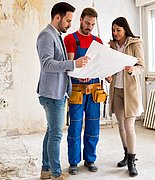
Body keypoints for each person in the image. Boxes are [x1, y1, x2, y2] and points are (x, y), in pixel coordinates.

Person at [36, 2, 89, 180]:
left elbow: (60, 65)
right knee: (56, 134)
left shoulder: (56, 34)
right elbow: (47, 64)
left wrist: (77, 71)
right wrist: (74, 63)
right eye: (68, 20)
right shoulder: (46, 36)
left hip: (57, 92)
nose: (69, 24)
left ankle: (46, 170)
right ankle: (56, 174)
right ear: (57, 17)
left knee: (51, 132)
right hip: (51, 94)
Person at [63, 7, 104, 175]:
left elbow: (100, 65)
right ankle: (73, 162)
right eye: (87, 23)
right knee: (75, 126)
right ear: (80, 20)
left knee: (93, 126)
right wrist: (80, 76)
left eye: (92, 24)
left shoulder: (98, 42)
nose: (89, 27)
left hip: (94, 89)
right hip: (77, 90)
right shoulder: (70, 39)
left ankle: (90, 159)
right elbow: (69, 66)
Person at [106, 17, 144, 177]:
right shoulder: (112, 46)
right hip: (117, 90)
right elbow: (108, 66)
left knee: (129, 126)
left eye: (118, 30)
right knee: (120, 125)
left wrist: (132, 70)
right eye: (113, 30)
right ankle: (126, 153)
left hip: (131, 92)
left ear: (125, 30)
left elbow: (141, 66)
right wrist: (108, 76)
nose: (115, 33)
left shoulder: (135, 44)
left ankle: (131, 161)